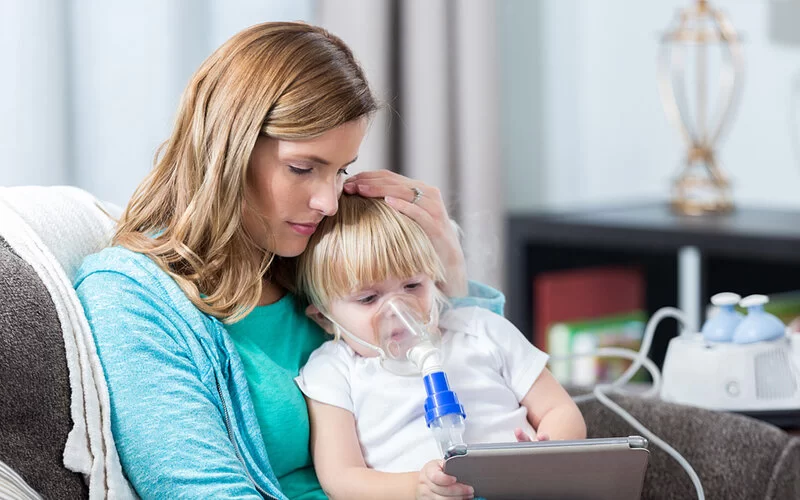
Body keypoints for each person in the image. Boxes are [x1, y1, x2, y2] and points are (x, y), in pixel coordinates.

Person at [74, 21, 505, 499]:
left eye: (341, 170)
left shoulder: (315, 259)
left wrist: (447, 257)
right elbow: (199, 490)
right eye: (303, 168)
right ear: (227, 151)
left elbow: (488, 399)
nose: (329, 201)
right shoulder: (132, 297)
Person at [294, 195, 587, 500]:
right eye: (369, 298)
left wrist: (548, 452)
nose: (397, 309)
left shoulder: (480, 330)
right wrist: (416, 488)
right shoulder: (333, 370)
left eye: (412, 286)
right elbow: (340, 478)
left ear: (434, 280)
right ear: (325, 319)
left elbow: (560, 409)